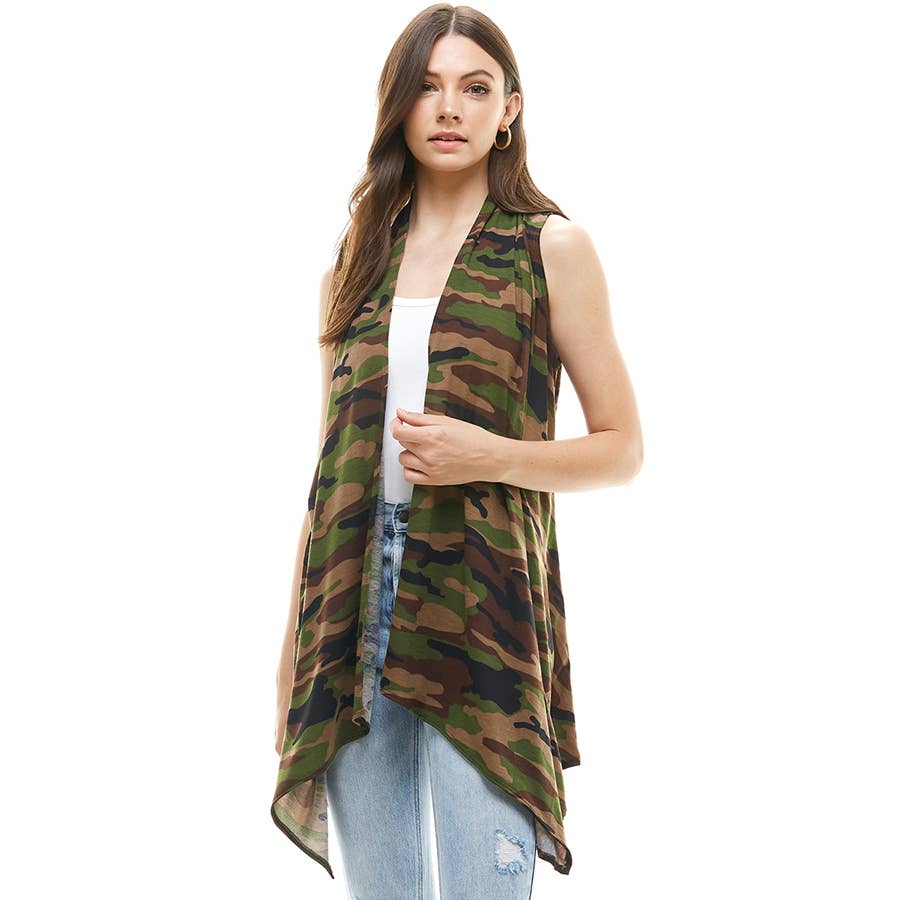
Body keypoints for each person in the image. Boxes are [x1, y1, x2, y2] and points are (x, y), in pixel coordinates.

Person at [273, 5, 643, 898]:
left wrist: (490, 455)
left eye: (475, 88)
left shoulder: (550, 248)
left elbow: (622, 447)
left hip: (483, 607)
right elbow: (327, 474)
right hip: (349, 610)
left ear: (509, 109)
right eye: (427, 87)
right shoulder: (353, 268)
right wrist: (291, 648)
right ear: (397, 106)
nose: (449, 108)